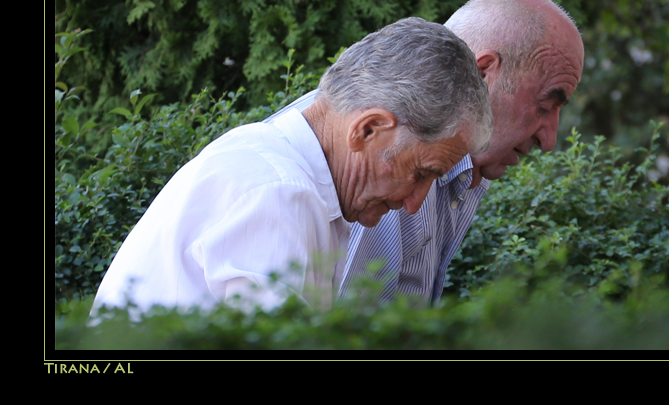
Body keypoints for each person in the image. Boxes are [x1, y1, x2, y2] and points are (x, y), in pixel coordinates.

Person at [91, 17, 493, 315]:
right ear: (368, 129)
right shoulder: (280, 195)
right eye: (422, 173)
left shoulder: (272, 162)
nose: (414, 203)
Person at [268, 0, 584, 307]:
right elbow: (340, 336)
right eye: (545, 105)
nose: (550, 140)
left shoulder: (463, 162)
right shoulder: (392, 154)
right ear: (482, 74)